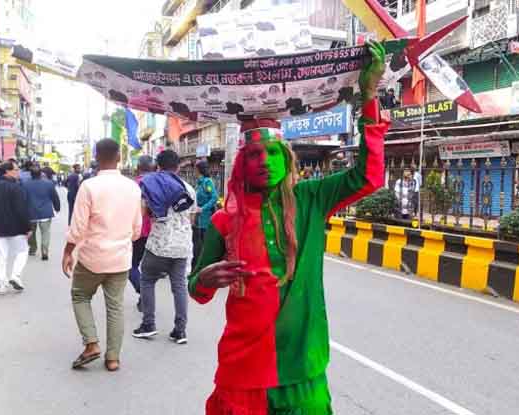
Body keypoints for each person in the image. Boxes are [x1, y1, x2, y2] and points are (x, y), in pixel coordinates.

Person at [187, 40, 387, 414]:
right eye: (254, 155)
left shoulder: (312, 198)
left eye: (273, 152)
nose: (264, 161)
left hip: (302, 362)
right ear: (242, 165)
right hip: (243, 368)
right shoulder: (224, 219)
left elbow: (369, 176)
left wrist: (370, 97)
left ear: (287, 157)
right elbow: (196, 290)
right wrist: (204, 279)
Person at [62, 139, 142, 372]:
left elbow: (77, 228)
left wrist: (68, 252)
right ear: (119, 157)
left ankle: (91, 343)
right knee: (115, 307)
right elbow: (136, 230)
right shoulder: (133, 188)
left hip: (91, 257)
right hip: (120, 258)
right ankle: (113, 358)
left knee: (80, 296)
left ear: (96, 157)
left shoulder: (89, 186)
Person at [132, 150, 195, 343]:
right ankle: (180, 330)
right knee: (179, 286)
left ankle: (148, 324)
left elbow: (143, 212)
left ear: (158, 166)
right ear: (178, 167)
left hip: (159, 244)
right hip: (182, 245)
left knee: (147, 280)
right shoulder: (189, 188)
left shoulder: (152, 184)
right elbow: (191, 218)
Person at [0, 161, 30, 294]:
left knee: (1, 255)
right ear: (7, 172)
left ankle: (2, 284)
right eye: (16, 169)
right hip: (17, 228)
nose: (18, 171)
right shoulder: (17, 188)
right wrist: (27, 227)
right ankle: (15, 275)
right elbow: (22, 210)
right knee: (22, 252)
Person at [129, 155, 155, 308]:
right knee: (148, 268)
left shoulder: (134, 185)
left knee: (130, 265)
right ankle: (144, 298)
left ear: (138, 168)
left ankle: (143, 294)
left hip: (138, 231)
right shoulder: (160, 183)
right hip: (157, 231)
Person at [23, 165, 61, 260]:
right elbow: (55, 197)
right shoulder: (49, 183)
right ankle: (44, 251)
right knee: (45, 233)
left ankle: (32, 248)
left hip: (30, 212)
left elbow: (22, 199)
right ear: (41, 173)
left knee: (31, 232)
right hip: (45, 213)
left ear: (30, 174)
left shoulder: (25, 184)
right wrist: (57, 207)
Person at [193, 160, 218, 269]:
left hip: (206, 219)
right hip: (197, 220)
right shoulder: (199, 183)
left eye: (195, 168)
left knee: (204, 244)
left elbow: (214, 198)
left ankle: (206, 266)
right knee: (198, 244)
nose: (194, 171)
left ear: (199, 170)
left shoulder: (208, 182)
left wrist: (202, 208)